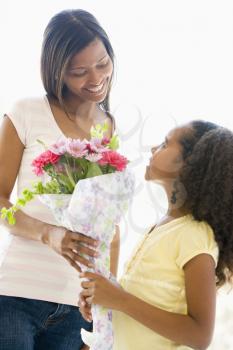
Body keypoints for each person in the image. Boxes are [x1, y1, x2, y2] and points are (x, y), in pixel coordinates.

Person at [0, 9, 119, 350]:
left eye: (102, 63)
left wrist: (102, 307)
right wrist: (47, 233)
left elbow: (110, 226)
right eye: (79, 71)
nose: (96, 78)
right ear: (57, 72)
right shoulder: (25, 112)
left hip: (74, 307)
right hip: (14, 295)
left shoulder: (108, 126)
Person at [79, 120, 233, 349]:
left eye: (164, 144)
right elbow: (144, 302)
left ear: (190, 163)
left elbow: (200, 335)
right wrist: (103, 299)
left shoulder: (194, 234)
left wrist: (119, 299)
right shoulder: (161, 227)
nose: (153, 149)